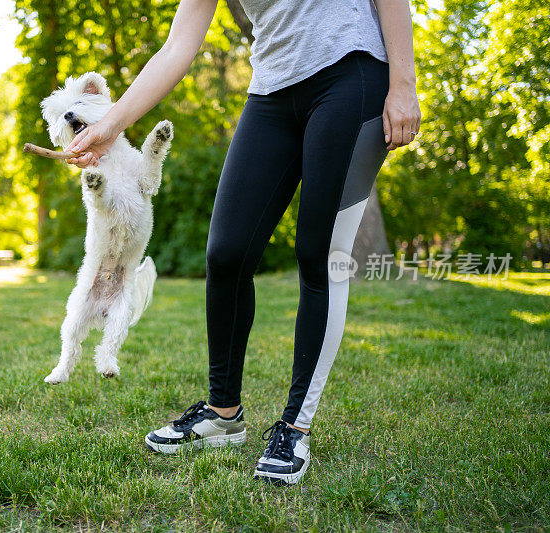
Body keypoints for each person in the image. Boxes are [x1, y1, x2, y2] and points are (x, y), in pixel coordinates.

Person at [64, 0, 420, 485]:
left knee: (319, 255)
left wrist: (403, 82)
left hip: (350, 70)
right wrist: (108, 128)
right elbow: (177, 47)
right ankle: (222, 413)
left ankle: (295, 426)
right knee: (227, 254)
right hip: (271, 89)